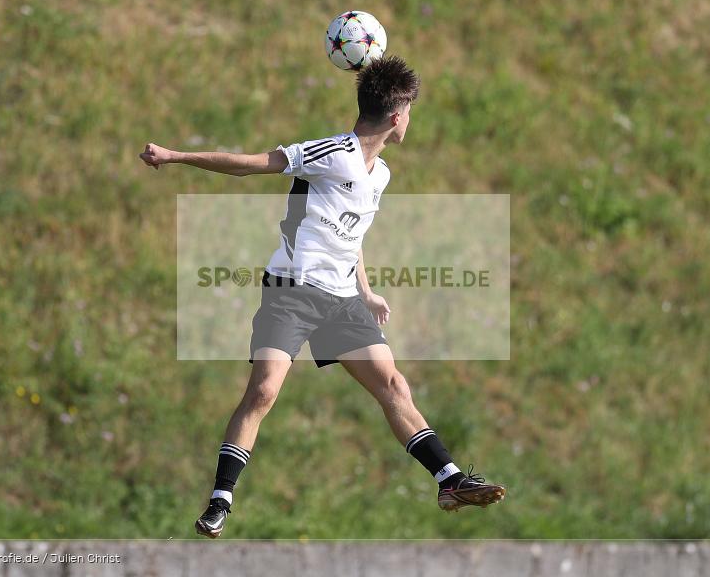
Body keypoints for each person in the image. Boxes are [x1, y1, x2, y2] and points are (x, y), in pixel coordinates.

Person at [139, 56, 505, 539]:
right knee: (265, 390)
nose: (411, 120)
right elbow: (253, 166)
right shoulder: (333, 153)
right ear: (397, 117)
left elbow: (348, 238)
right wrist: (177, 156)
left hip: (341, 302)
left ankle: (449, 480)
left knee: (393, 385)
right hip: (290, 293)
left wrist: (368, 293)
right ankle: (221, 499)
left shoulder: (380, 176)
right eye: (411, 110)